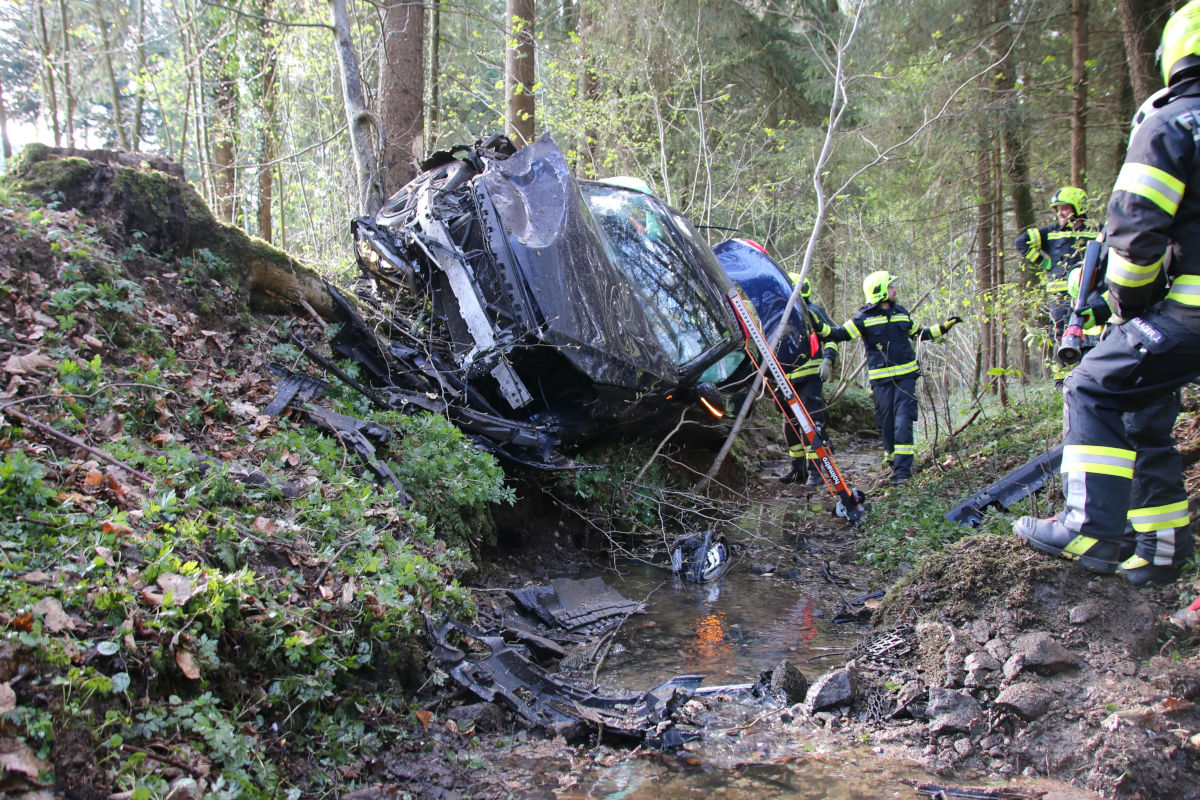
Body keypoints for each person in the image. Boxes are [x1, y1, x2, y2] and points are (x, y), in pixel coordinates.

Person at [1011, 0, 1200, 587]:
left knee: (1092, 387)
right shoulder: (1052, 231)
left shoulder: (1172, 124)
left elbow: (1136, 233)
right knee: (1144, 411)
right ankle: (1162, 550)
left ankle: (1090, 528)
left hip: (1188, 312)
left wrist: (1131, 309)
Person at [817, 271, 960, 485]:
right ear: (880, 290)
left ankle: (903, 473)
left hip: (906, 379)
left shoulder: (901, 313)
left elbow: (920, 333)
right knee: (887, 424)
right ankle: (893, 462)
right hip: (881, 383)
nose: (895, 290)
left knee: (903, 422)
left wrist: (944, 328)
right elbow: (837, 334)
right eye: (891, 286)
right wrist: (815, 323)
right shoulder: (863, 318)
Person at [1015, 186, 1101, 382]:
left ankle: (1090, 378)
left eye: (1065, 208)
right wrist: (1045, 263)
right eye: (1058, 209)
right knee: (1062, 337)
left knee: (1091, 335)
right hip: (1060, 297)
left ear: (1078, 208)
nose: (1060, 213)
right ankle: (1063, 382)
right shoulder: (1051, 232)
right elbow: (1021, 242)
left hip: (1090, 295)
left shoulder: (1095, 231)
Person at [778, 274, 839, 486]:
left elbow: (831, 338)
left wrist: (828, 361)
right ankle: (798, 470)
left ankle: (816, 471)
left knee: (810, 424)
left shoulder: (813, 312)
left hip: (810, 378)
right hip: (786, 379)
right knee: (790, 425)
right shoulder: (781, 316)